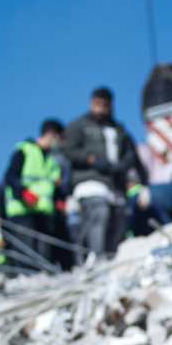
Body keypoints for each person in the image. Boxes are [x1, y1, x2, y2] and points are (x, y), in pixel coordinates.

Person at [64, 87, 149, 260]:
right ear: (91, 103)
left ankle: (109, 259)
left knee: (119, 219)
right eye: (97, 103)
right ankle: (95, 258)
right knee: (98, 213)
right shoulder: (79, 126)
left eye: (105, 104)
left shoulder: (119, 130)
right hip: (89, 181)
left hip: (114, 184)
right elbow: (69, 151)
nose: (101, 108)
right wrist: (91, 159)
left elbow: (132, 157)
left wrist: (137, 179)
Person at [3, 119, 64, 270]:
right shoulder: (25, 150)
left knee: (44, 255)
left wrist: (59, 201)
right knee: (26, 253)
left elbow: (52, 187)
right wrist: (23, 193)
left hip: (43, 214)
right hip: (22, 211)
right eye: (58, 138)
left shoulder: (52, 161)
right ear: (51, 135)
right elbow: (10, 176)